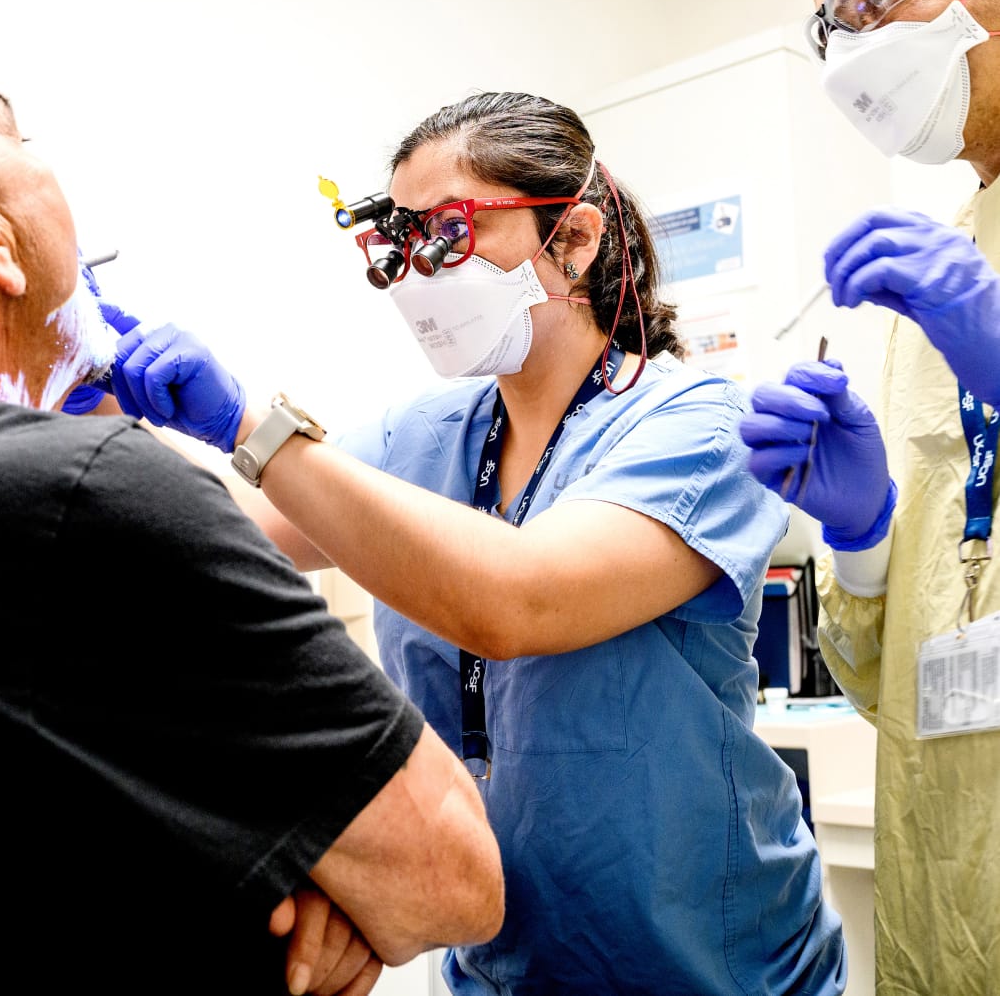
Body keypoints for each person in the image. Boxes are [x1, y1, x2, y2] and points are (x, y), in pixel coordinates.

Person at [85, 90, 848, 995]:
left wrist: (251, 421)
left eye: (448, 235)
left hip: (712, 963)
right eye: (399, 244)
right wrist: (106, 405)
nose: (418, 273)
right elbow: (230, 539)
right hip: (504, 966)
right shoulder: (423, 433)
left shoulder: (698, 420)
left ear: (574, 238)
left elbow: (517, 600)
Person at [0, 20, 505, 995]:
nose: (420, 269)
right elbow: (456, 877)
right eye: (17, 137)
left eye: (446, 233)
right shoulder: (82, 493)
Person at [738, 0, 1000, 992]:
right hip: (949, 877)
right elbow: (900, 678)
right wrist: (860, 534)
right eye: (834, 28)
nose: (856, 55)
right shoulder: (930, 278)